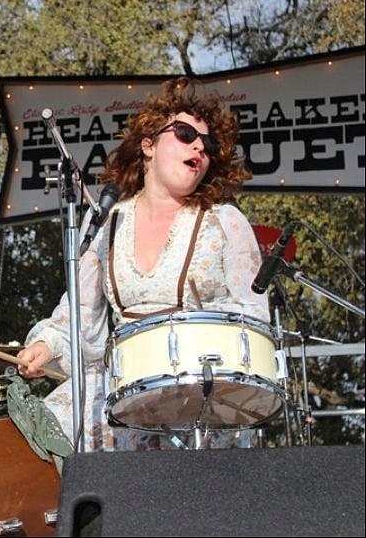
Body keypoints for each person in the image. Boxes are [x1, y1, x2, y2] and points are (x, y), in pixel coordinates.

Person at [17, 76, 269, 452]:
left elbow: (254, 319)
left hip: (203, 393)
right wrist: (46, 346)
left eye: (208, 143)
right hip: (121, 387)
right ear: (148, 145)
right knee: (37, 431)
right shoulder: (106, 221)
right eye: (184, 133)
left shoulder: (224, 221)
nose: (199, 146)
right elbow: (78, 316)